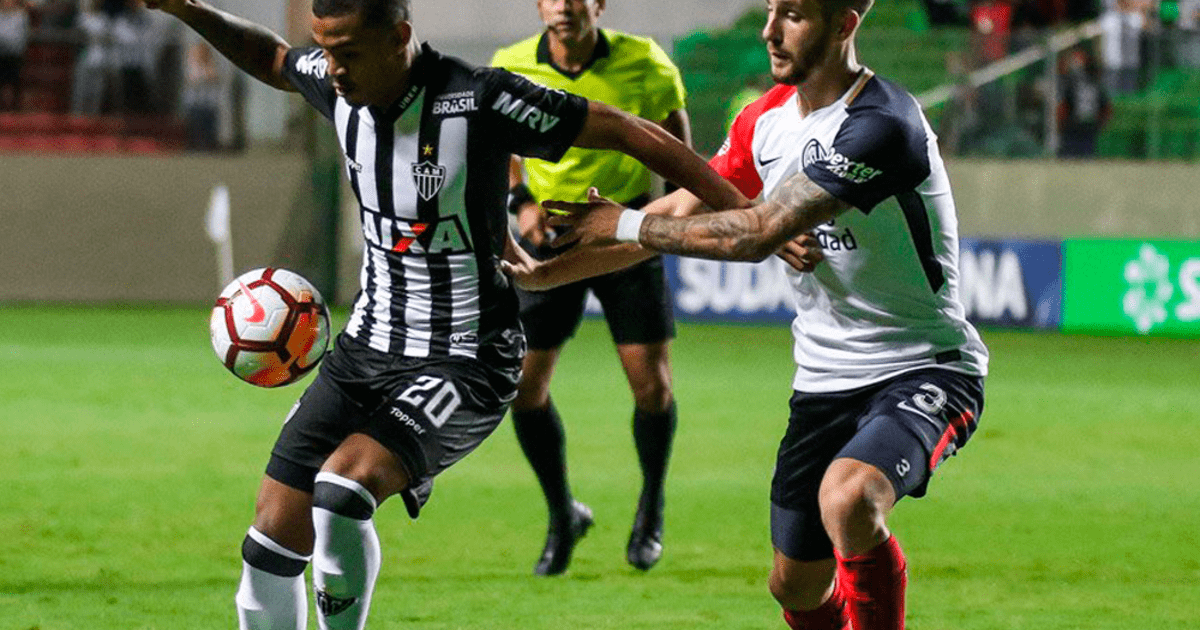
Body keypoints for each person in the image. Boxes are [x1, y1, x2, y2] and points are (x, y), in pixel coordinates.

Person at [144, 1, 748, 629]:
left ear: (400, 37)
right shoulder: (337, 83)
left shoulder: (477, 98)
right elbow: (271, 57)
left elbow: (625, 129)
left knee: (341, 495)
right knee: (267, 544)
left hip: (465, 357)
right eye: (325, 49)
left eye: (349, 51)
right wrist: (184, 7)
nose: (335, 69)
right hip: (364, 351)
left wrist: (742, 211)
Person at [515, 1, 990, 628]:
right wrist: (543, 272)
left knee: (849, 499)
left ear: (844, 25)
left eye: (792, 15)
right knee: (793, 588)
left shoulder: (882, 123)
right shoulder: (762, 122)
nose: (769, 31)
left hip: (926, 367)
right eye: (769, 11)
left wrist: (626, 217)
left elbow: (755, 233)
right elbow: (672, 222)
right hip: (822, 384)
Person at [489, 0, 691, 576]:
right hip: (550, 236)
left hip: (625, 233)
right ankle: (562, 514)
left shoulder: (646, 63)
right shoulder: (511, 66)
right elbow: (499, 144)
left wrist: (658, 222)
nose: (563, 6)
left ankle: (650, 508)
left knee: (651, 386)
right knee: (523, 387)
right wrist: (521, 203)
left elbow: (678, 153)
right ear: (538, 5)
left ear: (598, 4)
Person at [0, 0, 29, 112]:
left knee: (11, 82)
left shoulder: (21, 15)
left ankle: (10, 109)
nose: (7, 2)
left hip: (13, 56)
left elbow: (22, 37)